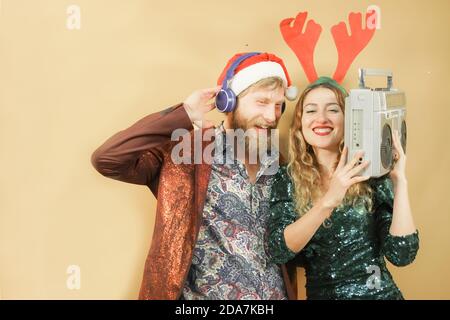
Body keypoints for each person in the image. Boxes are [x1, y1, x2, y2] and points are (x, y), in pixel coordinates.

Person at [91, 52, 300, 300]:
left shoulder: (279, 164)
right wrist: (185, 114)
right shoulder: (189, 153)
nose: (272, 116)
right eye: (262, 102)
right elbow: (109, 159)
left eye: (278, 105)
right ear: (228, 102)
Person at [267, 77, 419, 299]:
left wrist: (399, 181)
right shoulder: (286, 178)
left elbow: (402, 253)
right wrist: (329, 200)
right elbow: (279, 249)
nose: (321, 119)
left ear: (350, 120)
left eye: (333, 110)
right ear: (300, 123)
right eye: (311, 111)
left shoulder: (369, 173)